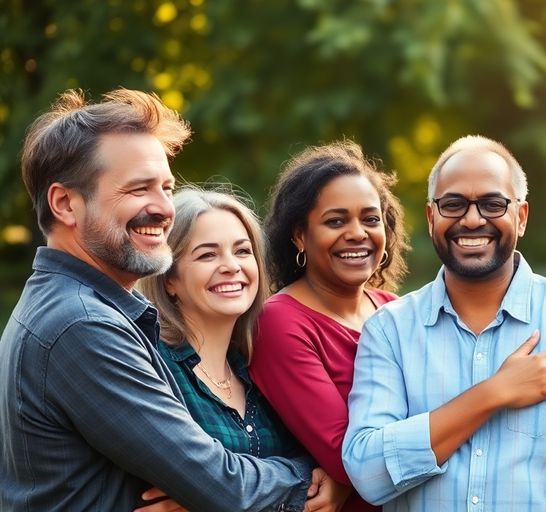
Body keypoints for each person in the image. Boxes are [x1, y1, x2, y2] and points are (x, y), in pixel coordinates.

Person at [0, 89, 313, 511]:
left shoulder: (77, 308)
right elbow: (223, 487)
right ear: (65, 204)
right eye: (138, 189)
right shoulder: (82, 325)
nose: (164, 208)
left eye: (166, 187)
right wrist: (313, 476)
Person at [342, 135, 546, 511]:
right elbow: (369, 474)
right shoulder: (389, 329)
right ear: (431, 218)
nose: (472, 220)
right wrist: (495, 392)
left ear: (520, 217)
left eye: (492, 204)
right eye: (453, 204)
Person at [137, 187, 345, 511]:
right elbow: (208, 482)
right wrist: (306, 483)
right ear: (169, 280)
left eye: (242, 251)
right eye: (207, 254)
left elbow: (322, 457)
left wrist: (329, 480)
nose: (231, 266)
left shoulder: (259, 369)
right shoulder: (154, 367)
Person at [250, 141, 410, 511]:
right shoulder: (280, 323)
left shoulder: (397, 311)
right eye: (335, 221)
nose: (357, 233)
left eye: (370, 219)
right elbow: (348, 458)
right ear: (299, 235)